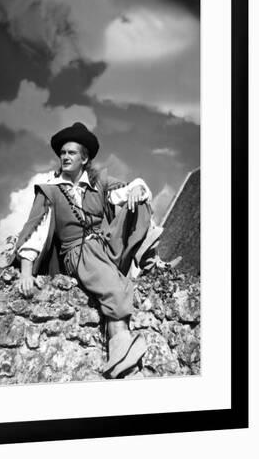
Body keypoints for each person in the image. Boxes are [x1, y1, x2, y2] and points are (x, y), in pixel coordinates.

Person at [13, 122, 179, 379]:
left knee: (139, 199)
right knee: (115, 288)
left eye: (71, 153)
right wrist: (26, 272)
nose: (65, 157)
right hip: (78, 253)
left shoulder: (99, 183)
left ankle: (150, 261)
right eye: (62, 153)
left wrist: (136, 189)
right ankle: (122, 361)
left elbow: (129, 191)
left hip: (106, 244)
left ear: (84, 158)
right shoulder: (50, 189)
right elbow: (35, 231)